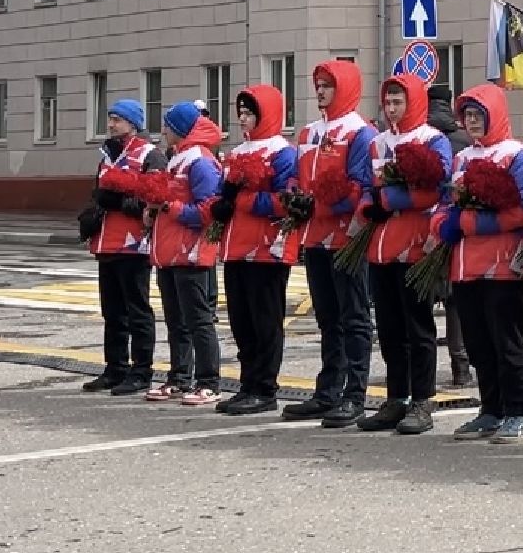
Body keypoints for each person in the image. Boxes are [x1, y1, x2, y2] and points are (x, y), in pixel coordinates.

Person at [440, 84, 523, 445]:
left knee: (507, 341)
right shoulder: (462, 157)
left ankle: (517, 412)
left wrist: (473, 223)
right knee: (478, 341)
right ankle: (491, 409)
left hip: (503, 266)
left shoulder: (519, 156)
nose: (472, 122)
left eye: (478, 115)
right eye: (467, 115)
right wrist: (444, 224)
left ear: (494, 115)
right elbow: (445, 205)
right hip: (466, 265)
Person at [283, 62, 378, 428]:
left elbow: (358, 186)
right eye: (318, 85)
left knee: (353, 316)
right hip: (315, 237)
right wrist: (293, 196)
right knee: (326, 317)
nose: (321, 91)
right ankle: (328, 391)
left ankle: (355, 394)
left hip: (345, 237)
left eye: (328, 86)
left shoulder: (360, 133)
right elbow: (296, 175)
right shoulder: (309, 132)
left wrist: (320, 204)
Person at [358, 76, 452, 436]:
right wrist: (370, 206)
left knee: (418, 327)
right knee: (390, 327)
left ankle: (422, 400)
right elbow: (369, 187)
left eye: (398, 102)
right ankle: (396, 396)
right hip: (382, 246)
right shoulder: (379, 143)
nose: (392, 108)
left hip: (415, 244)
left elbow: (440, 191)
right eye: (388, 102)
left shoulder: (432, 140)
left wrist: (392, 201)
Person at [213, 84, 299, 416]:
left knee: (265, 321)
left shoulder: (282, 153)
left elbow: (285, 202)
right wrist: (222, 205)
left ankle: (265, 387)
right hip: (237, 247)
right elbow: (226, 196)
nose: (243, 119)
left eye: (250, 113)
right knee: (241, 320)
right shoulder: (238, 153)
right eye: (241, 113)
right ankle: (248, 381)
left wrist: (245, 200)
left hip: (267, 249)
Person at [83, 99, 167, 397]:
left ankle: (142, 370)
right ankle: (115, 367)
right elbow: (99, 191)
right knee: (112, 311)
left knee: (137, 310)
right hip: (107, 242)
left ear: (133, 123)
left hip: (135, 244)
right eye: (110, 118)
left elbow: (153, 200)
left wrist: (119, 202)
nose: (111, 124)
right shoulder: (107, 153)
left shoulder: (149, 154)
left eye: (117, 119)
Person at [147, 102, 226, 405]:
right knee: (176, 320)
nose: (163, 131)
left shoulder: (200, 162)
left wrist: (169, 207)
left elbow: (208, 211)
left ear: (180, 129)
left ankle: (209, 381)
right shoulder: (177, 159)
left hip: (190, 252)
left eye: (167, 125)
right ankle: (180, 378)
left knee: (198, 320)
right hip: (170, 251)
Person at [427, 84, 474, 388]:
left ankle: (423, 372)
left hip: (425, 225)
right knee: (455, 300)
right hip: (455, 224)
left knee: (422, 298)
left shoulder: (421, 137)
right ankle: (461, 367)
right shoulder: (462, 138)